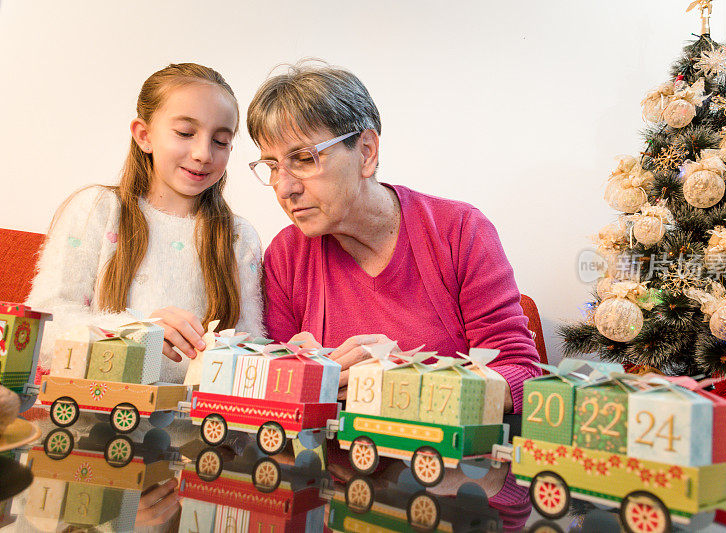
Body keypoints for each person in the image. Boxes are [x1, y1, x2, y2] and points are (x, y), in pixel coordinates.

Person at [247, 62, 540, 528]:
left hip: (454, 496)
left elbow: (522, 373)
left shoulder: (458, 231)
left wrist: (403, 378)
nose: (284, 187)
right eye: (271, 165)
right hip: (339, 496)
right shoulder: (286, 254)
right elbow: (279, 408)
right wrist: (298, 373)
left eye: (303, 158)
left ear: (365, 151)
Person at [28, 63, 264, 384]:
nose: (203, 153)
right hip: (97, 418)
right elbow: (41, 328)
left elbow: (248, 348)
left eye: (220, 141)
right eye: (185, 133)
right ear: (144, 135)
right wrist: (136, 332)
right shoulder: (96, 209)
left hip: (196, 428)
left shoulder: (239, 237)